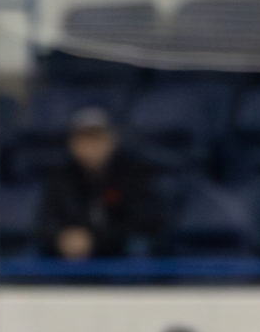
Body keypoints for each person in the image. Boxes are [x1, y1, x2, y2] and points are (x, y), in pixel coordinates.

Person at [38, 106, 166, 260]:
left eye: (97, 138)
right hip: (74, 256)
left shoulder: (133, 174)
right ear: (72, 144)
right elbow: (45, 222)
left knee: (140, 248)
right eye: (84, 139)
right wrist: (61, 238)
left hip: (120, 251)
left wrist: (94, 240)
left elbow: (146, 222)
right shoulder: (62, 177)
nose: (90, 146)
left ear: (111, 140)